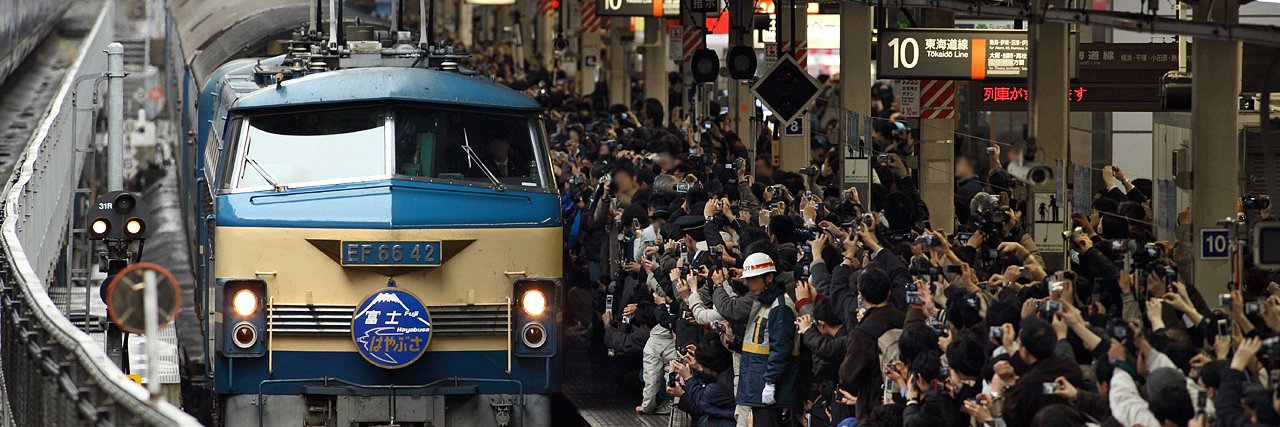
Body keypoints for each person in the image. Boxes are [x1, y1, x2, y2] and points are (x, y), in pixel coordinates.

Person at [735, 253, 801, 427]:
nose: (748, 284)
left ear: (769, 277)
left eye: (753, 279)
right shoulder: (764, 303)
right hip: (757, 385)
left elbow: (780, 348)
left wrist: (770, 382)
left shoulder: (780, 306)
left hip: (769, 388)